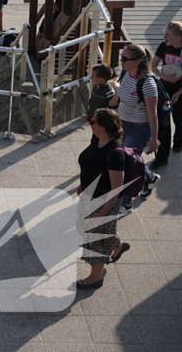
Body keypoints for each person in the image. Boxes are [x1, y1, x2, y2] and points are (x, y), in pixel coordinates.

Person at [75, 108, 130, 289]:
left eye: (93, 121)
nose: (90, 123)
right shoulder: (96, 139)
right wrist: (83, 185)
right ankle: (117, 245)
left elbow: (116, 188)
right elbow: (91, 164)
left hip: (104, 203)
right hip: (90, 196)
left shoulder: (115, 154)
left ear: (102, 128)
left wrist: (102, 213)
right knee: (92, 230)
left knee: (94, 237)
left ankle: (95, 277)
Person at [109, 44, 160, 202]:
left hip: (139, 128)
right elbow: (120, 96)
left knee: (127, 163)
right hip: (122, 124)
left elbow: (153, 114)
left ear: (137, 62)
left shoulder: (148, 84)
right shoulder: (125, 73)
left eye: (124, 58)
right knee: (125, 159)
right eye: (121, 57)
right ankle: (149, 178)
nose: (121, 61)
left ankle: (126, 202)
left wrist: (153, 139)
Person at [151, 21, 182, 160]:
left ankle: (178, 143)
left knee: (179, 119)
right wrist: (163, 76)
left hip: (180, 89)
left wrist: (178, 93)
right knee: (163, 120)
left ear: (178, 37)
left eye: (168, 35)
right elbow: (153, 66)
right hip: (164, 87)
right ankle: (162, 152)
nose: (165, 37)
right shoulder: (163, 47)